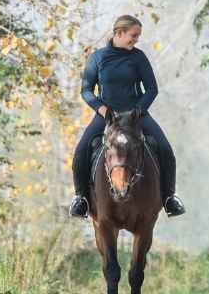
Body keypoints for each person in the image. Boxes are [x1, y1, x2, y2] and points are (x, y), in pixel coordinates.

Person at [68, 14, 185, 218]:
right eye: (133, 35)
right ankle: (81, 199)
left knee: (166, 149)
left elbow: (151, 89)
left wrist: (139, 110)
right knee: (81, 150)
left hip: (136, 116)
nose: (136, 40)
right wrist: (101, 109)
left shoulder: (138, 57)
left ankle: (169, 198)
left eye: (137, 36)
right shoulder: (97, 58)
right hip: (107, 116)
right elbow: (86, 90)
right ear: (119, 33)